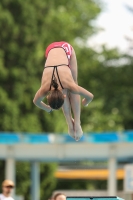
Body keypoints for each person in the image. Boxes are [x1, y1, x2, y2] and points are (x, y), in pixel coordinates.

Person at [33, 41, 94, 141]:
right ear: (48, 97)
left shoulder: (67, 85)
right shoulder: (44, 88)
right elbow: (36, 101)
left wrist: (85, 102)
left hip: (66, 49)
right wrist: (47, 108)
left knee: (74, 83)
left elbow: (90, 96)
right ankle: (71, 124)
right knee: (69, 89)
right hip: (49, 49)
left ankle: (76, 124)